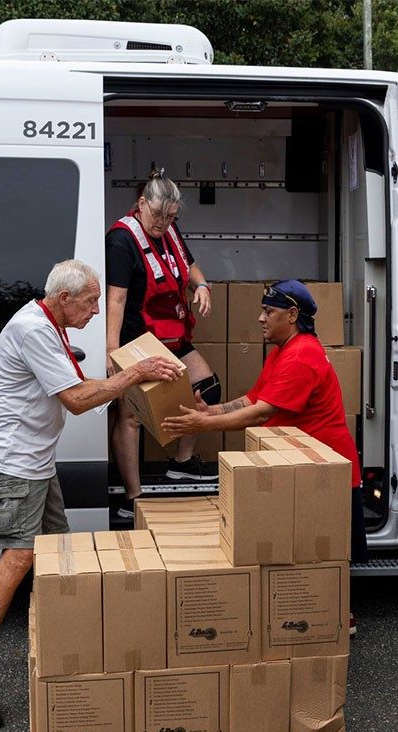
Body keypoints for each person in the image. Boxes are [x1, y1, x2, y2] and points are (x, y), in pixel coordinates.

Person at [0, 259, 182, 730]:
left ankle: (65, 650)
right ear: (64, 298)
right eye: (92, 301)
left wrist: (129, 379)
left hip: (36, 464)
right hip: (17, 465)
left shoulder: (48, 324)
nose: (98, 310)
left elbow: (80, 387)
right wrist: (134, 376)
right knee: (18, 560)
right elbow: (76, 401)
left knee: (57, 555)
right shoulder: (34, 329)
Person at [162, 279, 368, 632]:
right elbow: (250, 401)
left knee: (322, 551)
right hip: (302, 466)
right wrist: (209, 411)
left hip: (324, 470)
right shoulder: (283, 351)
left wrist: (201, 426)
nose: (260, 318)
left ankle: (334, 620)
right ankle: (314, 616)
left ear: (292, 315)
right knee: (302, 546)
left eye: (268, 312)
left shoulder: (302, 354)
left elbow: (261, 414)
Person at [106, 169, 221, 516]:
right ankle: (133, 498)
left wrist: (201, 285)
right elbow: (116, 299)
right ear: (142, 204)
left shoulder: (168, 227)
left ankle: (182, 462)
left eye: (171, 217)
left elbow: (190, 264)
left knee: (207, 387)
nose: (163, 223)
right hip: (135, 338)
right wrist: (112, 350)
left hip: (171, 333)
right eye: (158, 215)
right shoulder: (122, 240)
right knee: (131, 416)